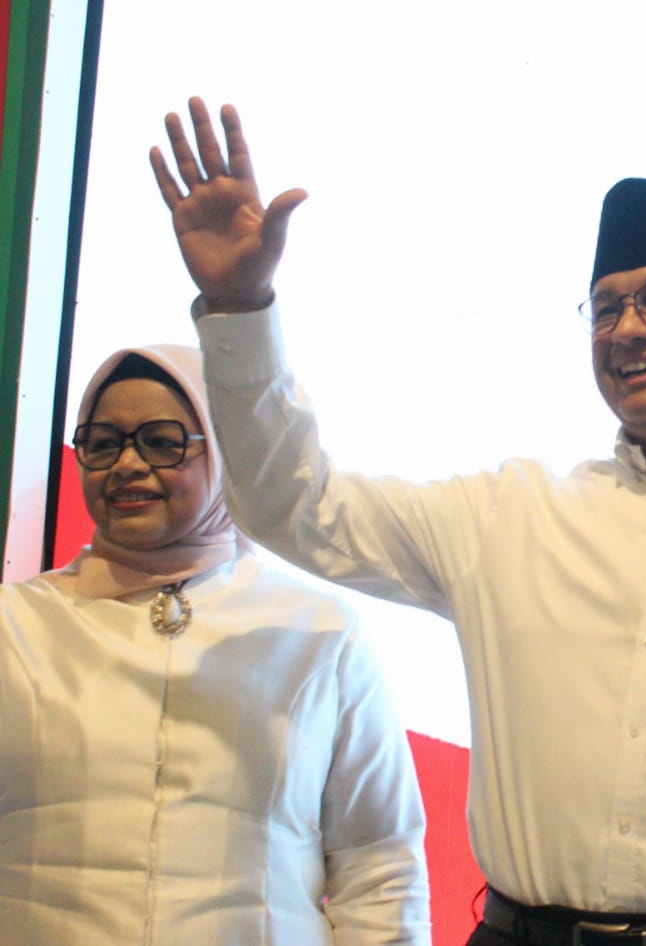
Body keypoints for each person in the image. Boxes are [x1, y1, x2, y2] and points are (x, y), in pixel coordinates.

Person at [149, 109, 646, 945]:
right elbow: (294, 504)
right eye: (606, 306)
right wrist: (239, 304)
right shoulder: (506, 516)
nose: (627, 329)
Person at [0, 344, 429, 944]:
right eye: (102, 442)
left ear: (225, 451)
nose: (126, 464)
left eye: (162, 440)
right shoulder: (15, 624)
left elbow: (380, 867)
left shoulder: (315, 631)